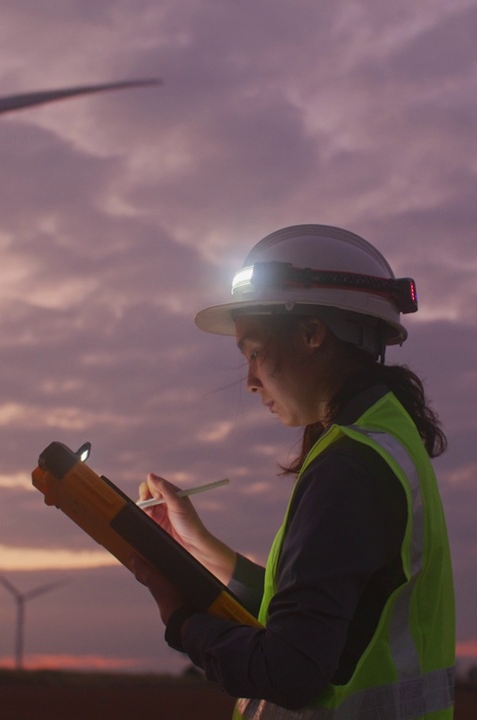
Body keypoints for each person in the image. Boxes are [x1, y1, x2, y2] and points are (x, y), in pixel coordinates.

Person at [132, 224, 456, 719]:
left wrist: (180, 617)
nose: (250, 381)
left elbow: (288, 668)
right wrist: (202, 548)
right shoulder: (384, 443)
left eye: (255, 352)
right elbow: (315, 610)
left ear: (311, 335)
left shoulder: (349, 469)